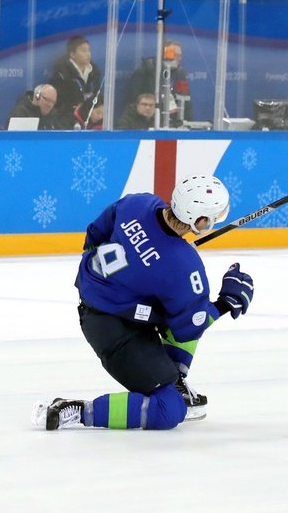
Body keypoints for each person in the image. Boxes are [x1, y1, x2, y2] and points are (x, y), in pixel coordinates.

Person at [32, 174, 255, 431]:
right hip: (112, 330)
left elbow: (95, 233)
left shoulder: (138, 203)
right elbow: (189, 328)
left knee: (179, 304)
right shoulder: (184, 266)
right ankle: (78, 411)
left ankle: (174, 381)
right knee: (169, 408)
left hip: (99, 296)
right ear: (200, 221)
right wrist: (227, 303)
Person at [128, 39, 193, 126]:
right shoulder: (146, 71)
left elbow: (186, 105)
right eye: (175, 55)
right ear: (164, 54)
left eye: (180, 55)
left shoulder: (180, 74)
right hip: (148, 122)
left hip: (173, 122)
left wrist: (187, 124)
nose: (179, 58)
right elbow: (133, 100)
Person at [48, 36, 102, 120]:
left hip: (92, 120)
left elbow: (98, 98)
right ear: (72, 54)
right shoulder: (62, 75)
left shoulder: (95, 73)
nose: (88, 54)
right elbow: (58, 106)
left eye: (89, 50)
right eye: (84, 51)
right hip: (69, 122)